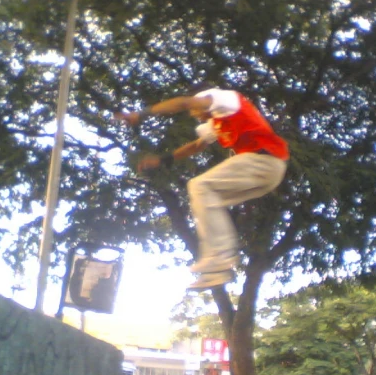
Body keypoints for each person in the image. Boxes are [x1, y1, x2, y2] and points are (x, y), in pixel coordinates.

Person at [116, 84, 289, 289]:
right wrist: (162, 160)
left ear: (203, 102)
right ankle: (217, 270)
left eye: (195, 111)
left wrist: (141, 113)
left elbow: (184, 102)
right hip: (266, 175)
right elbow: (197, 146)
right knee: (208, 200)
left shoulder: (226, 100)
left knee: (199, 186)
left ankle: (221, 256)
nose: (193, 115)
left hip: (265, 162)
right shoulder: (215, 123)